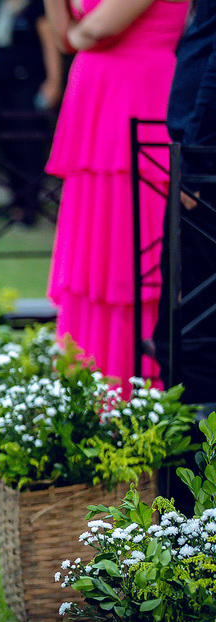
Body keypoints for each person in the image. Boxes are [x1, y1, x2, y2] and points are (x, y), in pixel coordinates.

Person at [43, 0, 188, 389]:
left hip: (138, 91)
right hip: (97, 98)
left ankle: (138, 384)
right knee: (96, 249)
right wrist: (76, 31)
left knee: (131, 242)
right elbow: (65, 37)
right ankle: (87, 384)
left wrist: (80, 34)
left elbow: (98, 29)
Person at [152, 0, 216, 405]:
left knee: (192, 326)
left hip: (205, 168)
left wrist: (193, 163)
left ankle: (194, 443)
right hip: (200, 158)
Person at [0, 0, 63, 226]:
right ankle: (16, 202)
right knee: (5, 144)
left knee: (28, 145)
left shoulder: (36, 7)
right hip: (1, 85)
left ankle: (30, 205)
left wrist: (54, 82)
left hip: (28, 86)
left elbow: (50, 44)